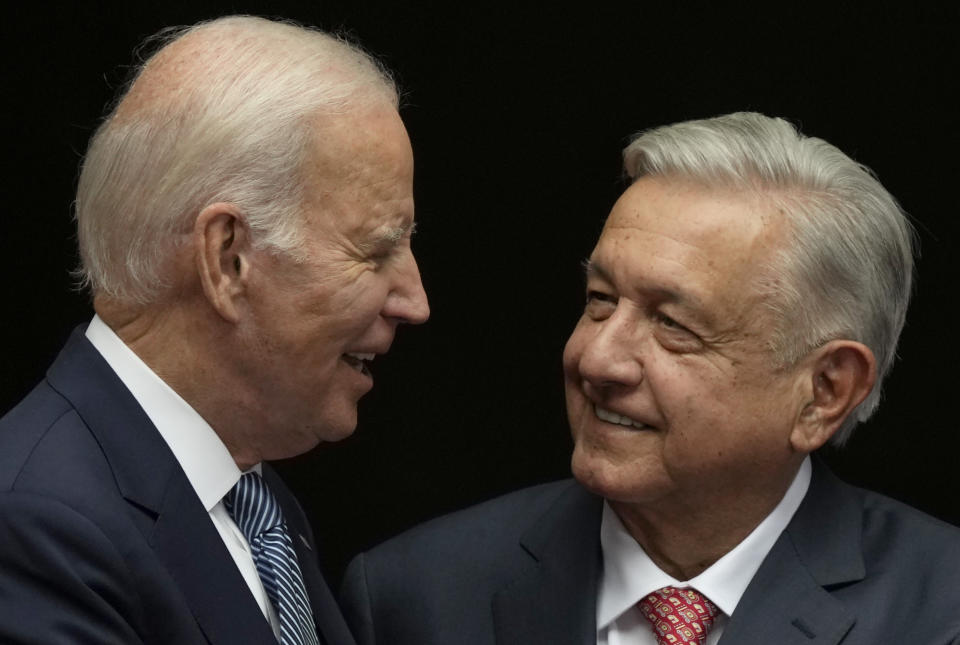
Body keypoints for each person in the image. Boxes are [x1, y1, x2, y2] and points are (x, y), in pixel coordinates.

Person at [339, 112, 960, 644]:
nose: (597, 359)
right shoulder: (419, 599)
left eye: (672, 324)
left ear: (825, 391)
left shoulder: (939, 610)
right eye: (600, 299)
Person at [0, 15, 428, 645]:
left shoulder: (252, 500)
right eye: (374, 251)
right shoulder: (38, 527)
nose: (414, 301)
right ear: (228, 259)